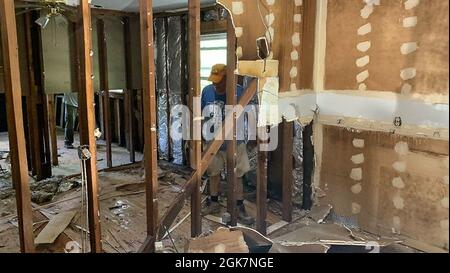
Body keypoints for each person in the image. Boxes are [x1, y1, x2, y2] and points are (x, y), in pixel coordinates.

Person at [201, 64, 254, 225]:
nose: (216, 85)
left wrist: (252, 136)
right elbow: (201, 114)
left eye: (219, 82)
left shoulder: (239, 92)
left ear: (228, 79)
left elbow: (250, 115)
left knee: (238, 174)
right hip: (213, 140)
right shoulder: (207, 91)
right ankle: (214, 202)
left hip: (235, 140)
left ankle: (238, 206)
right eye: (214, 81)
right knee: (213, 172)